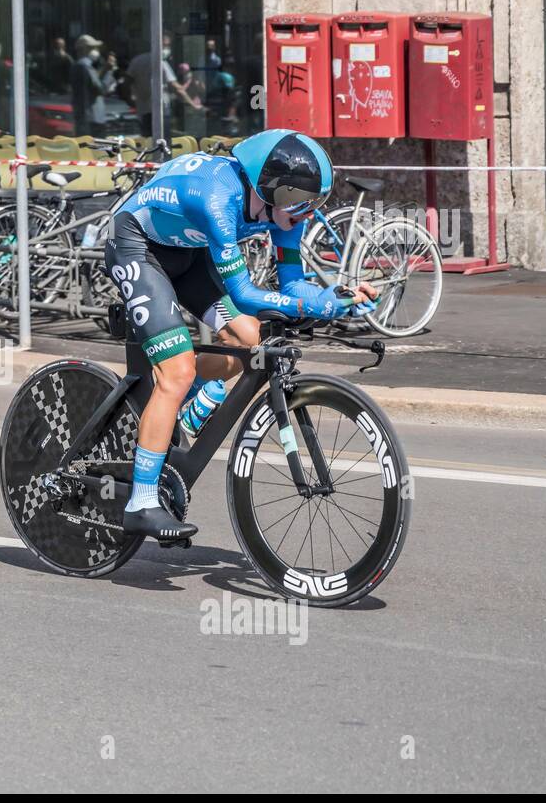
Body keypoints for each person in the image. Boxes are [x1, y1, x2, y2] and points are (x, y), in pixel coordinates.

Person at [104, 129, 379, 540]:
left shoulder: (285, 214)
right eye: (296, 200)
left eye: (315, 201)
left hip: (188, 253)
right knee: (175, 372)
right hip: (138, 247)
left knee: (248, 339)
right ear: (265, 188)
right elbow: (245, 294)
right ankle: (141, 502)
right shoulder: (217, 198)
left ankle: (193, 401)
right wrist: (314, 307)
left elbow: (292, 287)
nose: (305, 212)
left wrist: (336, 294)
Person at [126, 32, 177, 137]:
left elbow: (126, 82)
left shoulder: (137, 60)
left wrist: (130, 100)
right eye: (164, 45)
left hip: (144, 110)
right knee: (162, 141)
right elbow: (175, 86)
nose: (166, 48)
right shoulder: (161, 63)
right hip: (159, 110)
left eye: (168, 45)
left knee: (148, 142)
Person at [69, 34, 117, 136]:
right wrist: (109, 71)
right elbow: (100, 89)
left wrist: (105, 70)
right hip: (92, 118)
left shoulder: (78, 66)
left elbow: (92, 84)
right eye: (92, 48)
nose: (96, 50)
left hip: (84, 116)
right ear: (84, 49)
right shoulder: (85, 66)